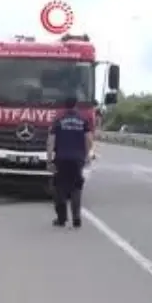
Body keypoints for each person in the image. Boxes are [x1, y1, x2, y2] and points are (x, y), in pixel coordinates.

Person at [46, 95, 93, 228]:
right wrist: (87, 155)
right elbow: (89, 139)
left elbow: (51, 140)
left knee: (58, 188)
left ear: (64, 105)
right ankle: (76, 218)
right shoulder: (83, 119)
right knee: (76, 188)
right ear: (76, 105)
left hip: (61, 158)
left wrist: (49, 159)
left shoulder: (58, 119)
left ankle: (62, 219)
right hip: (78, 159)